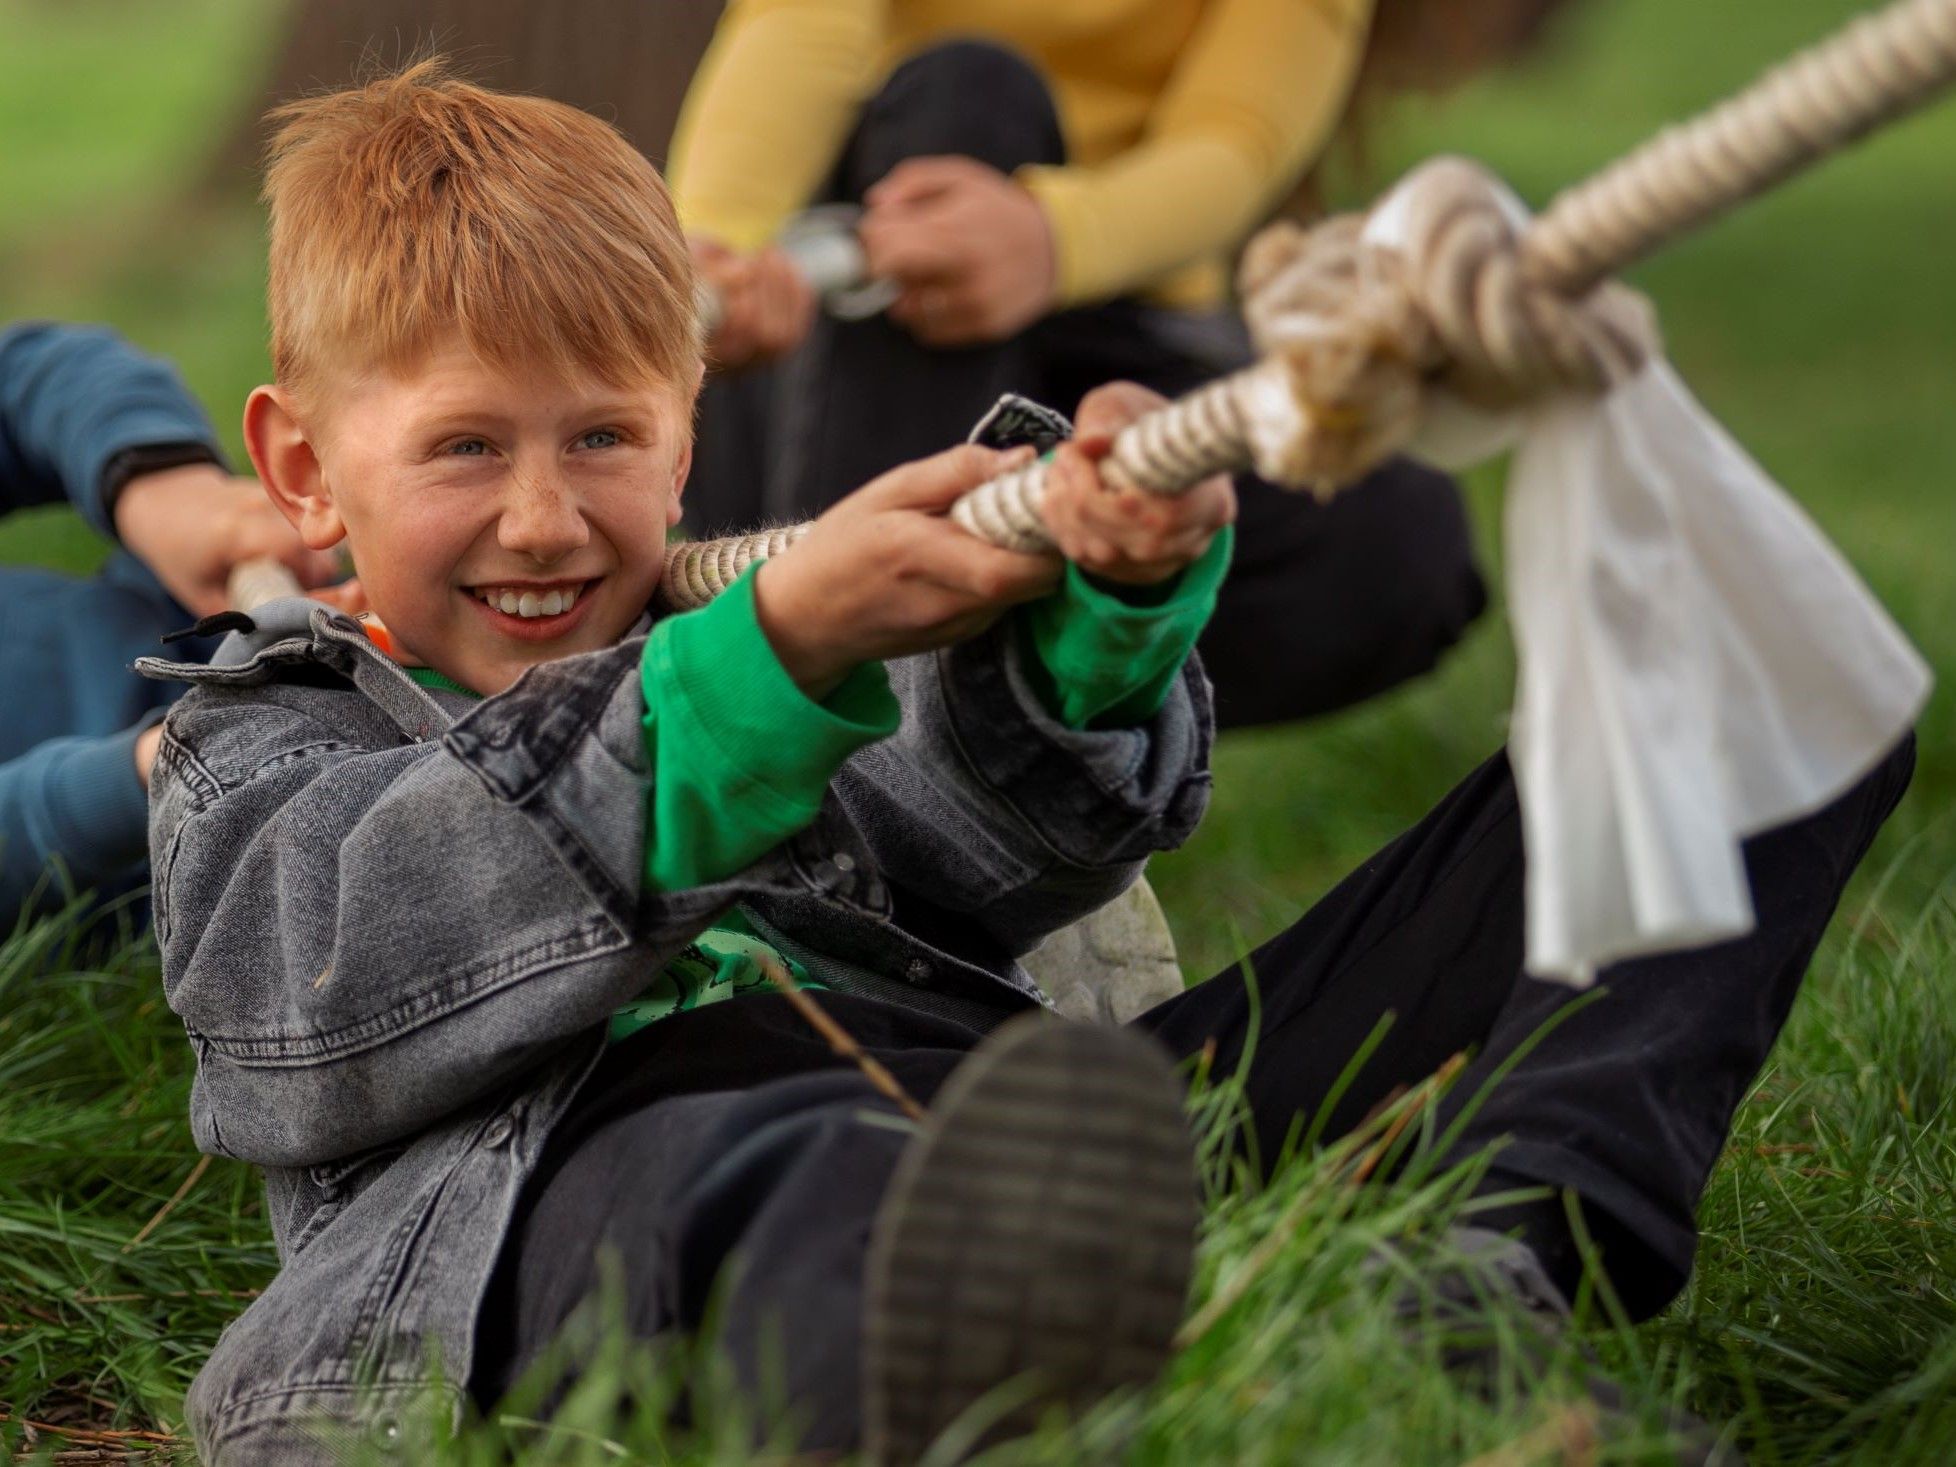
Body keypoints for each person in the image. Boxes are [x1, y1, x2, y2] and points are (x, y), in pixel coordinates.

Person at [143, 65, 1913, 1465]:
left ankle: (1469, 1282)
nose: (544, 513)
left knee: (1724, 738)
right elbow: (327, 987)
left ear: (685, 434)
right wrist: (761, 661)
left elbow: (983, 837)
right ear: (304, 467)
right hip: (591, 1214)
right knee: (806, 1160)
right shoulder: (255, 742)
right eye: (464, 445)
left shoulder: (729, 639)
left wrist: (1101, 617)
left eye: (605, 435)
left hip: (1042, 1138)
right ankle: (987, 1364)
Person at [667, 0, 1492, 728]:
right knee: (975, 89)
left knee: (1402, 545)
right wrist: (714, 246)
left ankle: (1003, 737)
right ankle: (848, 748)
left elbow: (1234, 139)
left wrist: (1051, 240)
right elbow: (800, 23)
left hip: (1114, 314)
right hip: (849, 328)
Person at [0, 322, 345, 924]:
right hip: (184, 845)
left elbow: (26, 376)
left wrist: (163, 489)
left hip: (187, 620)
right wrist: (158, 770)